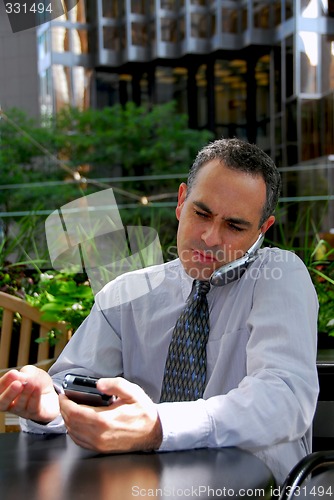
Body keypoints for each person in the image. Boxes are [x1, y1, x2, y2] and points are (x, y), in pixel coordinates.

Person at [0, 138, 319, 485]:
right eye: (202, 213)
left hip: (259, 488)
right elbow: (74, 385)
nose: (211, 238)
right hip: (141, 485)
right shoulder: (126, 294)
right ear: (182, 202)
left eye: (235, 226)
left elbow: (284, 397)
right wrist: (52, 408)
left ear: (262, 230)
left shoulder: (279, 274)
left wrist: (157, 425)